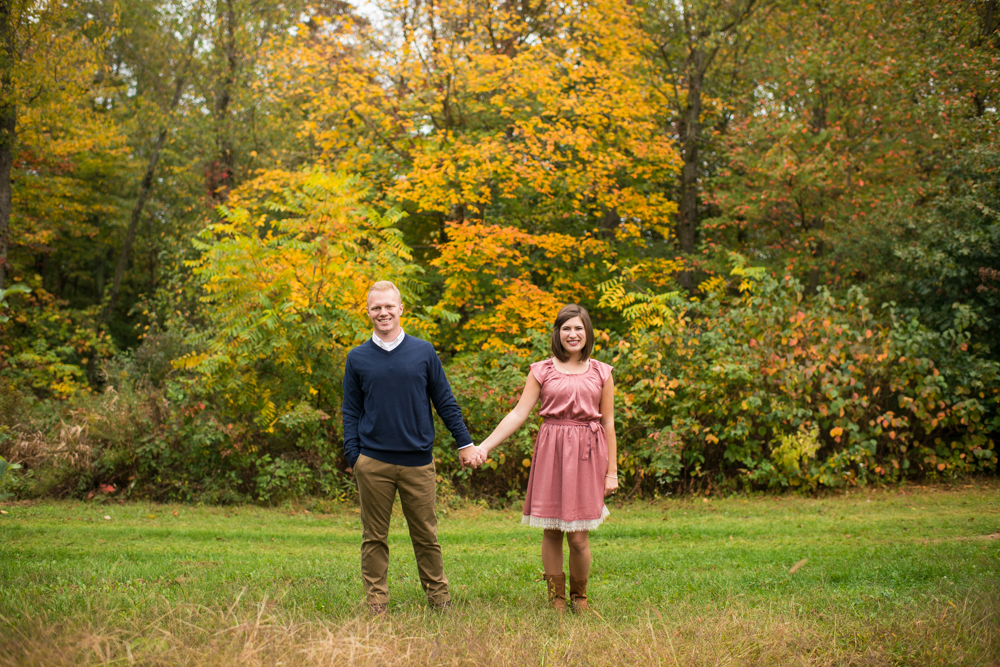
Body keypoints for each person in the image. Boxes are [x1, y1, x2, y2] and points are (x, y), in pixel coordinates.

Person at [342, 280, 485, 614]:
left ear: (401, 309)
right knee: (374, 537)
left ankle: (440, 600)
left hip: (418, 463)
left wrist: (464, 442)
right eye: (376, 307)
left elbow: (444, 401)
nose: (383, 313)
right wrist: (354, 456)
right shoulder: (358, 358)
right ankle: (376, 603)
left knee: (426, 536)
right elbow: (350, 410)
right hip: (372, 462)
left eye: (389, 306)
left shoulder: (423, 352)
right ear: (368, 312)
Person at [474, 304, 618, 612]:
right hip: (551, 452)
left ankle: (580, 597)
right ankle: (557, 599)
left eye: (578, 328)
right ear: (558, 333)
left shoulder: (602, 372)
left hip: (587, 456)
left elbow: (608, 423)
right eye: (566, 328)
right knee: (551, 530)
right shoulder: (542, 370)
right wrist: (484, 447)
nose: (572, 334)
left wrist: (612, 472)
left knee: (578, 537)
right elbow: (518, 414)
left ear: (587, 332)